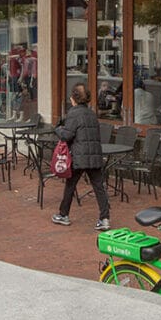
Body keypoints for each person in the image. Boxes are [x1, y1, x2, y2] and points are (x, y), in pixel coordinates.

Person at [51, 82, 111, 231]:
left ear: (74, 99)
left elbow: (67, 135)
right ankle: (104, 219)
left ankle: (63, 215)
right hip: (95, 156)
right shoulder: (92, 113)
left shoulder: (73, 113)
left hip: (79, 156)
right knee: (99, 187)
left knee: (70, 185)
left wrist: (57, 129)